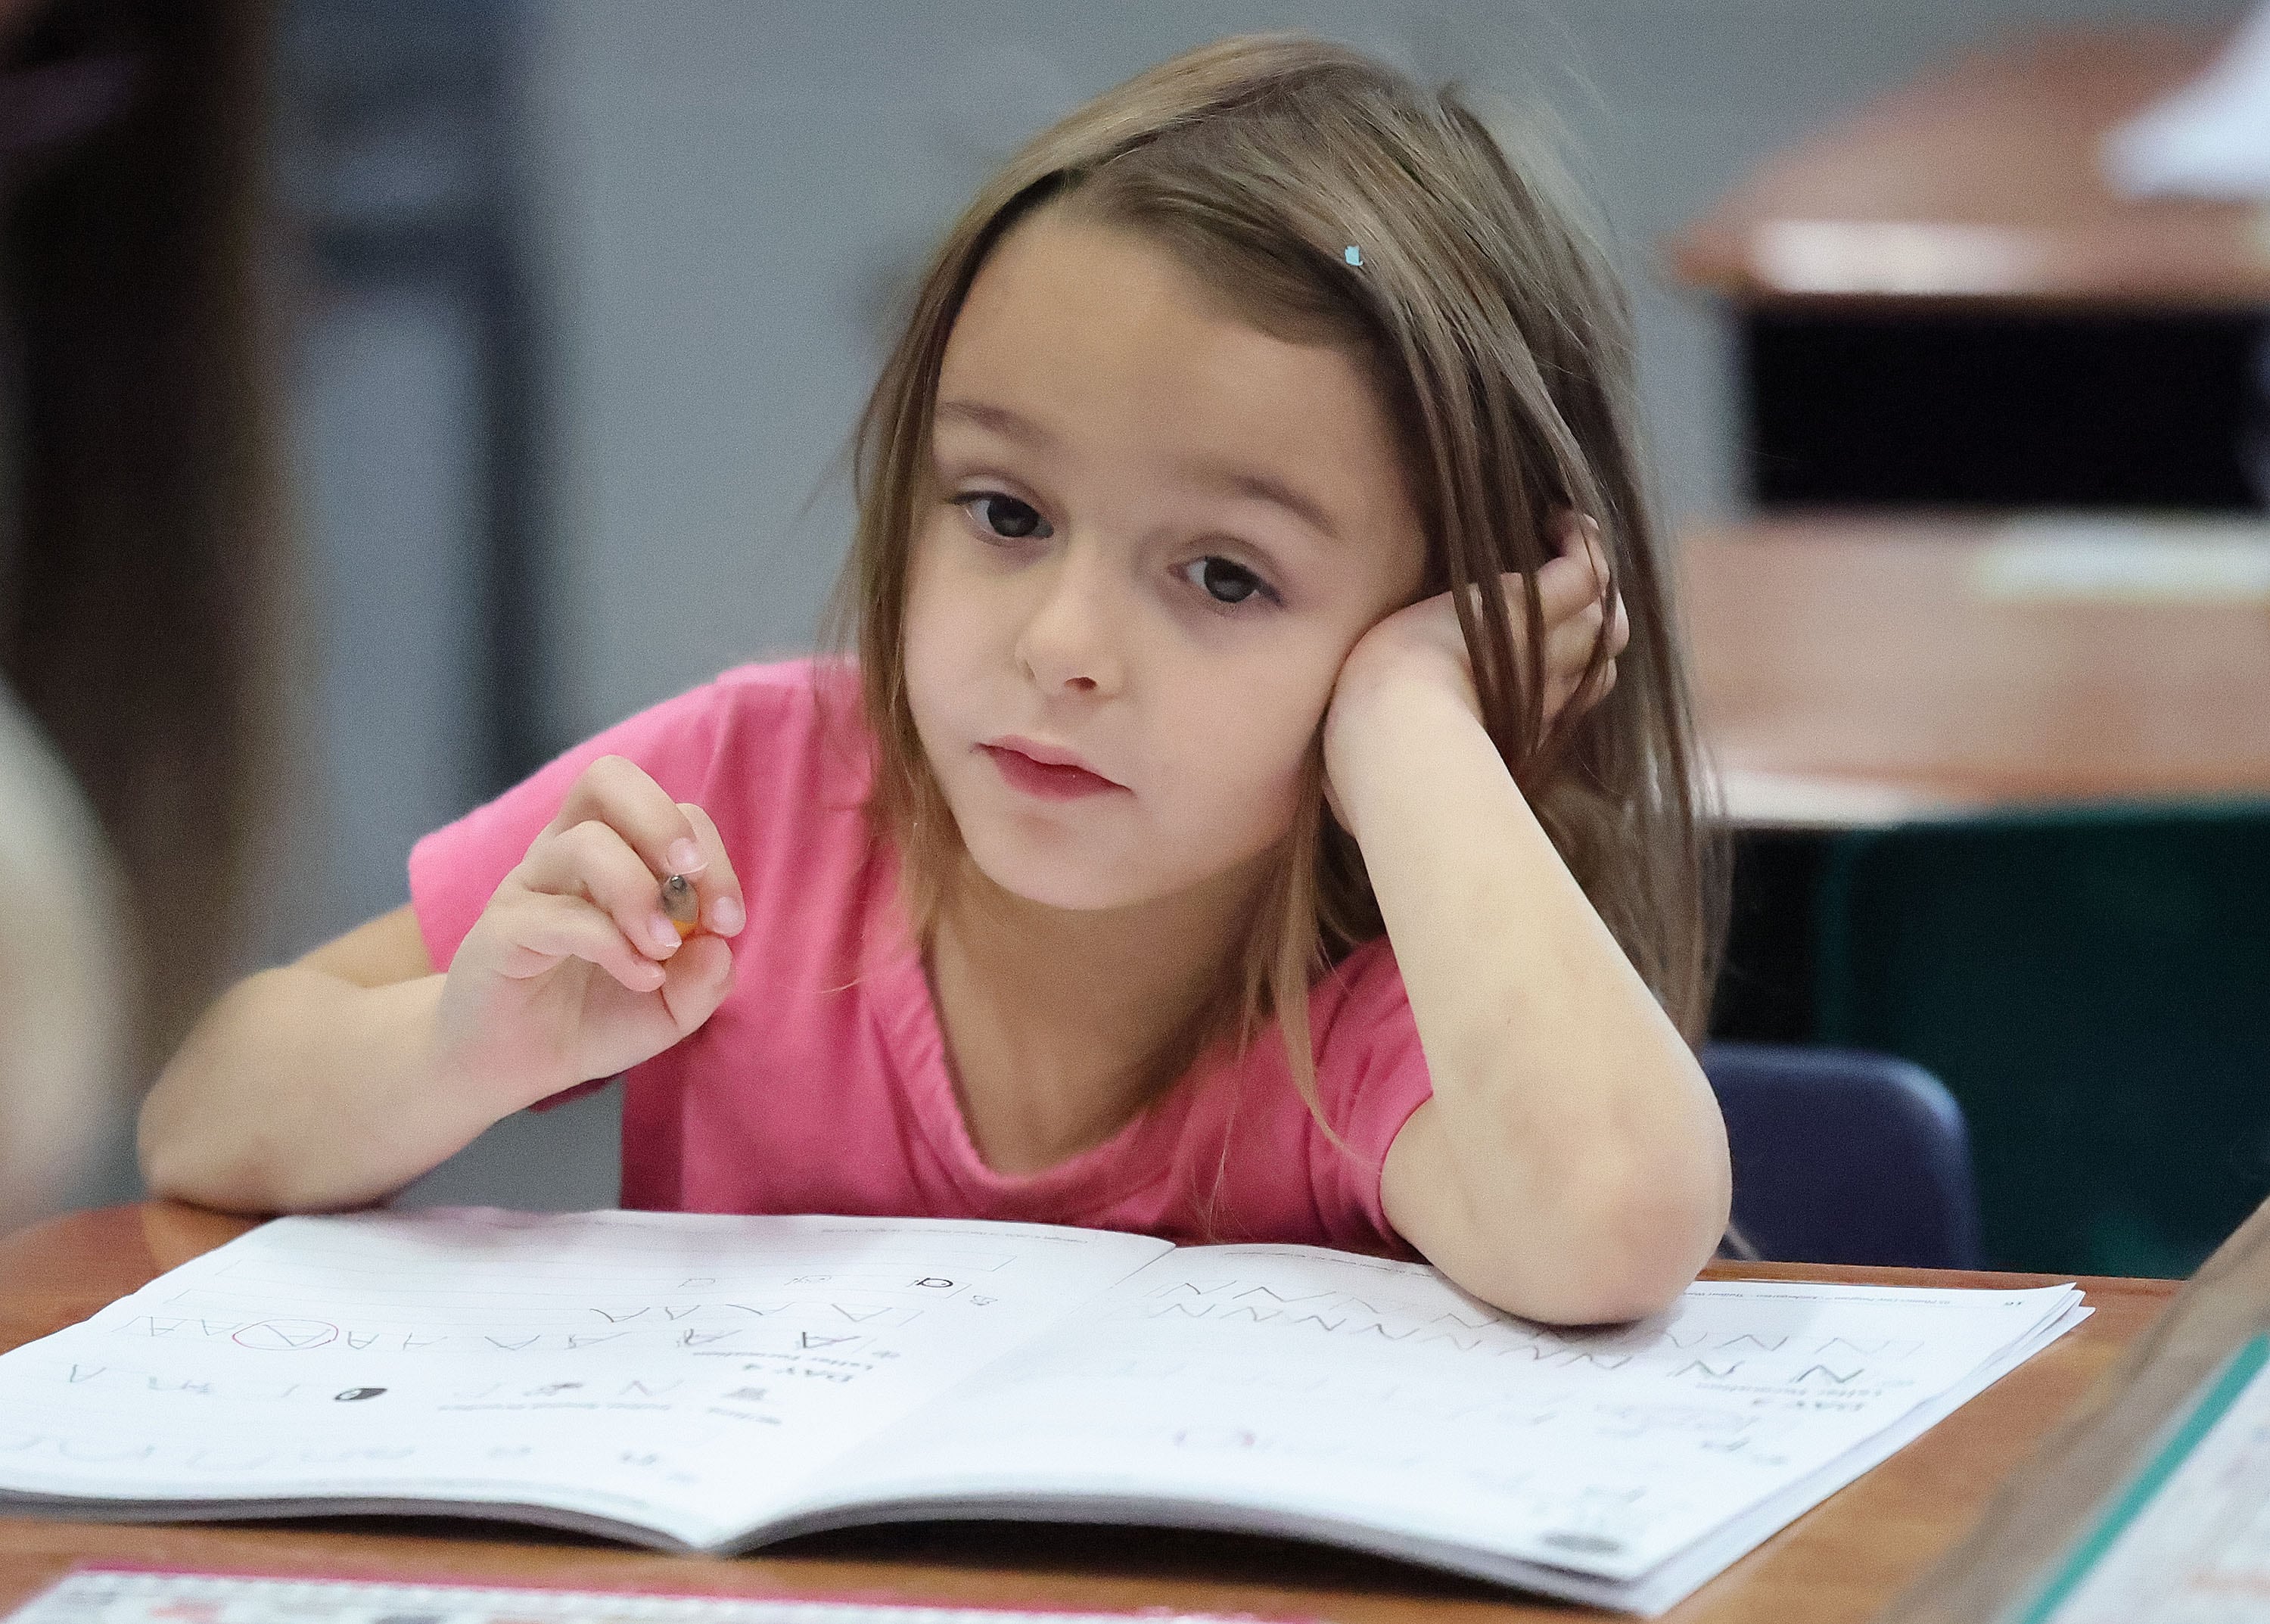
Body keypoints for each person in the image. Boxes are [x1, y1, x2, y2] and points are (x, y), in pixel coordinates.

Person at [140, 34, 1730, 1326]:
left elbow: (1610, 1228)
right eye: (1006, 514)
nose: (1062, 645)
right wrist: (459, 1054)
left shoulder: (1374, 1007)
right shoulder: (745, 793)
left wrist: (1415, 726)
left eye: (1226, 575)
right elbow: (206, 1108)